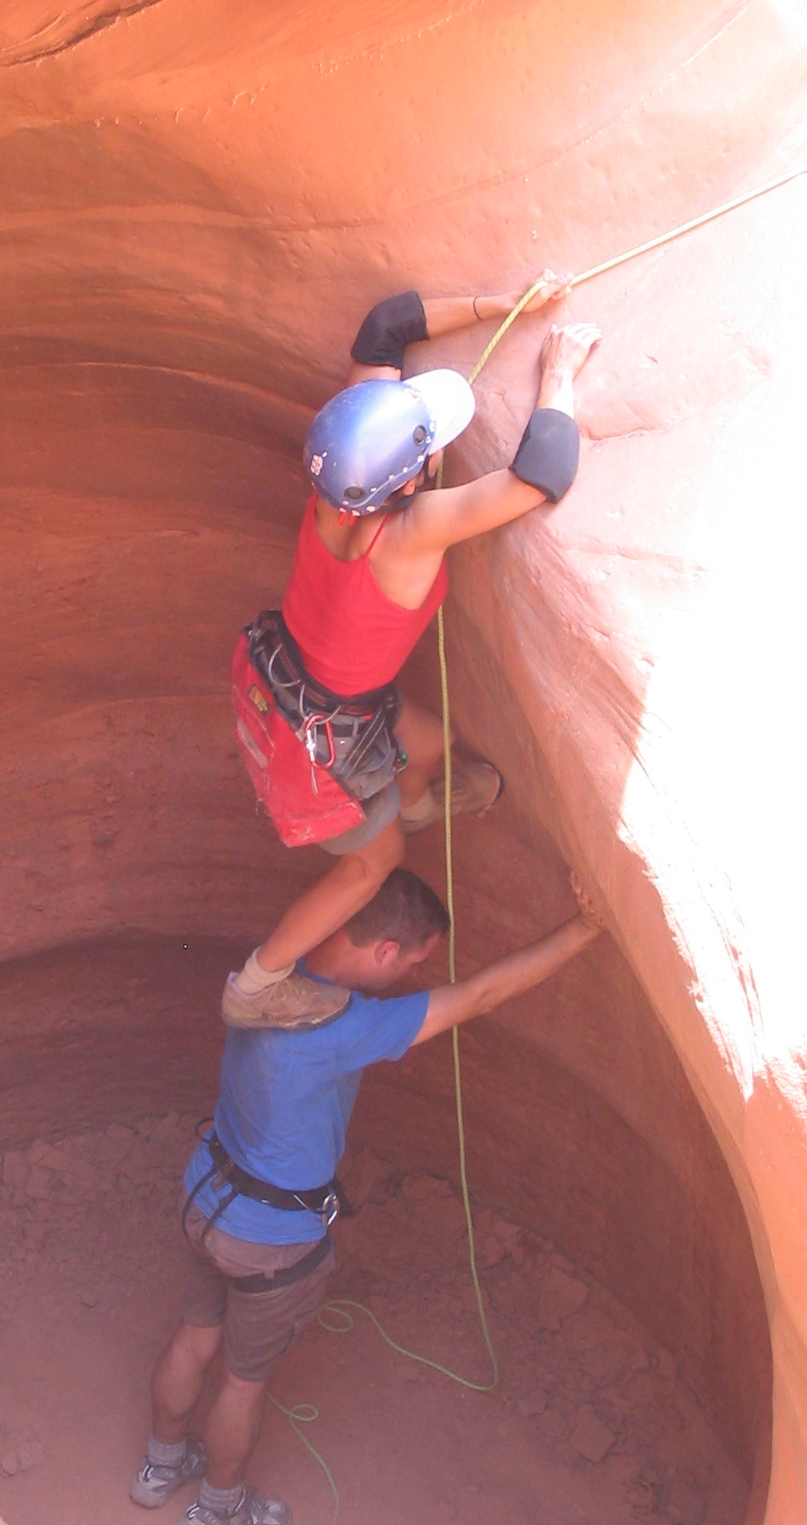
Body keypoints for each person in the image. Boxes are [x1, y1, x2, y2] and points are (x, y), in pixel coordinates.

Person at [131, 867, 603, 1525]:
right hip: (271, 1241)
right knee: (241, 1380)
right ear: (383, 951)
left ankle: (157, 1467)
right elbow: (480, 995)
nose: (416, 975)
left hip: (206, 1195)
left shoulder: (271, 972)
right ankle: (217, 1512)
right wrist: (585, 928)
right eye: (414, 960)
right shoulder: (350, 1027)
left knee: (193, 1338)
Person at [225, 278, 601, 1030]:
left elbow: (384, 326)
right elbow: (540, 476)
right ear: (414, 477)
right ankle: (258, 986)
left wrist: (504, 303)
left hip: (305, 690)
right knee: (375, 859)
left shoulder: (345, 472)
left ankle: (417, 801)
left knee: (429, 742)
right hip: (316, 744)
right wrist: (556, 375)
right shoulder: (410, 535)